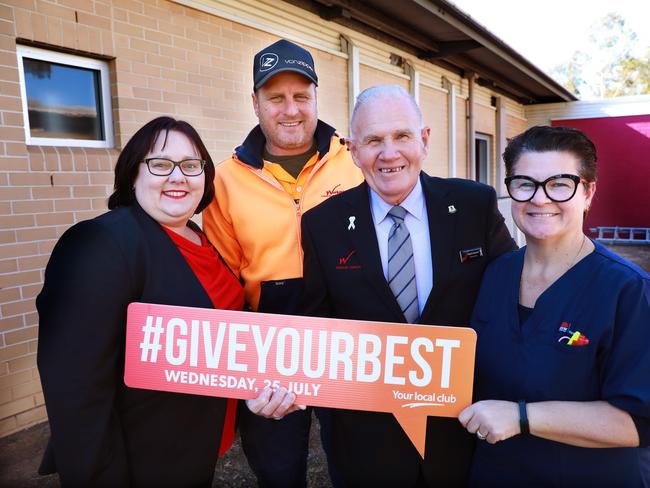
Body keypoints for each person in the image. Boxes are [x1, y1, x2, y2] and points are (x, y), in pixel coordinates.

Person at [299, 84, 516, 487]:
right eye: (373, 140)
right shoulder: (321, 224)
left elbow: (510, 301)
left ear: (425, 139)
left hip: (465, 428)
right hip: (366, 440)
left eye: (401, 136)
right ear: (352, 150)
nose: (389, 153)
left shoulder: (474, 205)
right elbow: (318, 325)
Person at [36, 117, 245, 486]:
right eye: (160, 164)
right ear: (133, 175)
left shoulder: (200, 239)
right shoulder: (98, 244)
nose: (178, 177)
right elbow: (77, 392)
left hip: (198, 442)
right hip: (144, 458)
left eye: (191, 165)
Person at [201, 39, 363, 487]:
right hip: (268, 342)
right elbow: (223, 280)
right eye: (275, 97)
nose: (290, 109)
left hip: (349, 336)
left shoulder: (355, 161)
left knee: (360, 461)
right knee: (278, 470)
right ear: (255, 103)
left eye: (300, 96)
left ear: (315, 98)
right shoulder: (225, 180)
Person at [458, 125, 650, 486]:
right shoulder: (493, 275)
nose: (540, 198)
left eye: (560, 184)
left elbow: (638, 421)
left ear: (588, 191)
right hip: (494, 474)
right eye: (525, 183)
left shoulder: (627, 290)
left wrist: (522, 417)